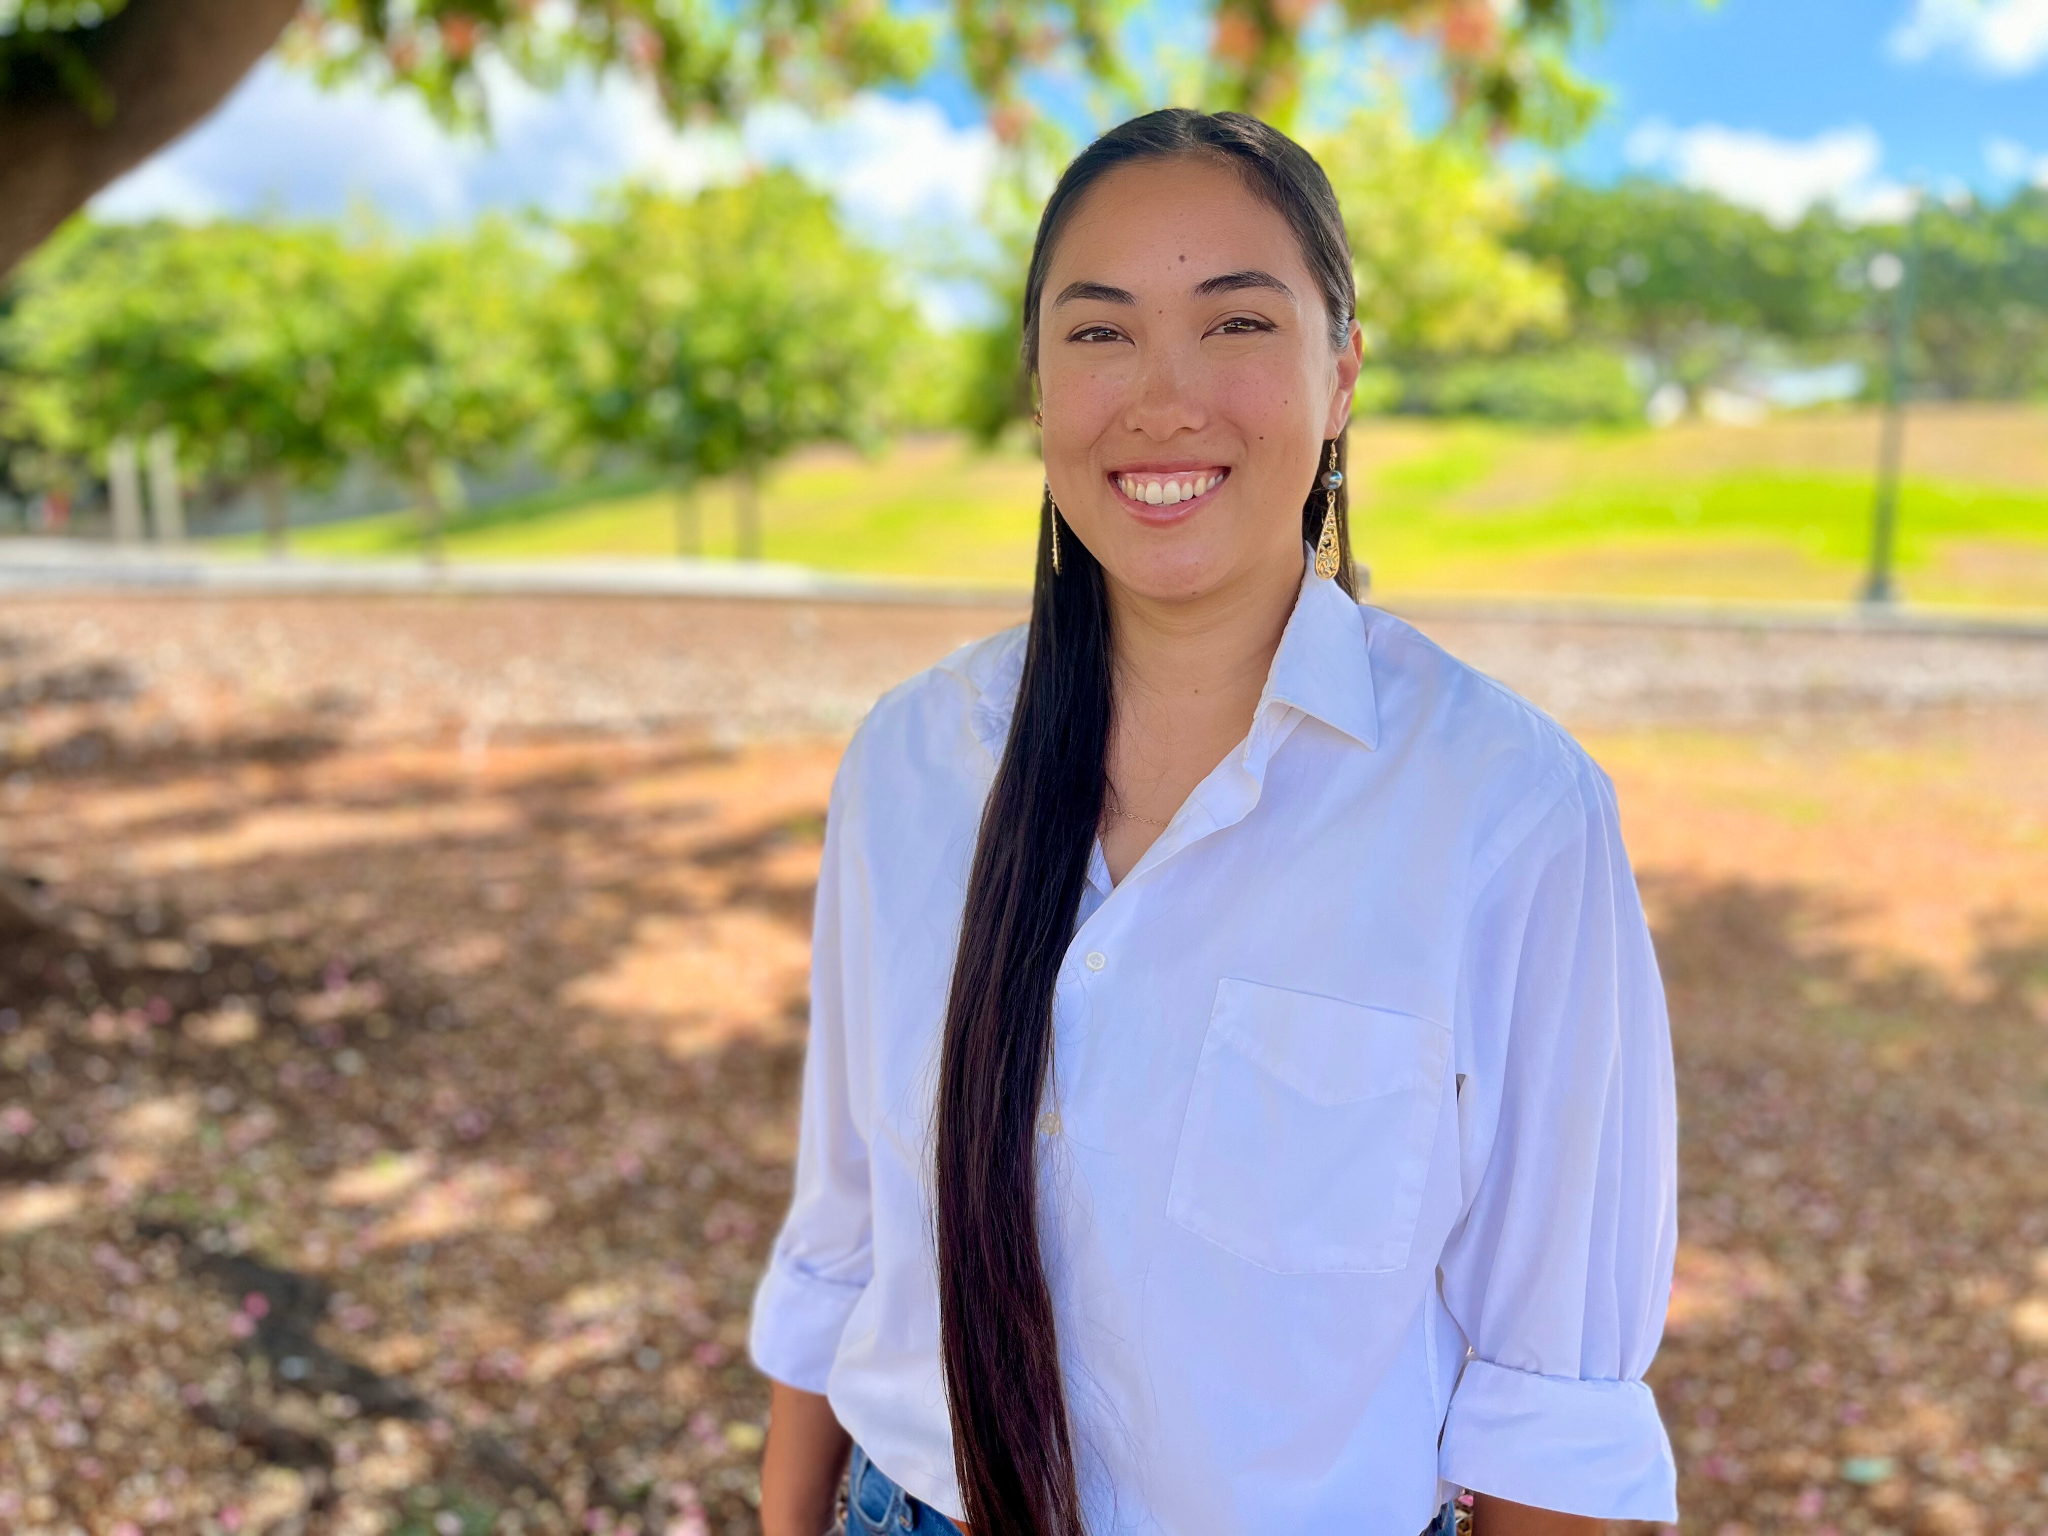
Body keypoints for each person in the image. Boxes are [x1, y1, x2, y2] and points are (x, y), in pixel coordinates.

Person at [750, 108, 1679, 1536]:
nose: (1163, 398)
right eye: (1100, 332)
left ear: (1342, 374)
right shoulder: (911, 766)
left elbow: (1550, 1396)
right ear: (1039, 382)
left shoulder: (1506, 815)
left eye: (1238, 324)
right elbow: (843, 1240)